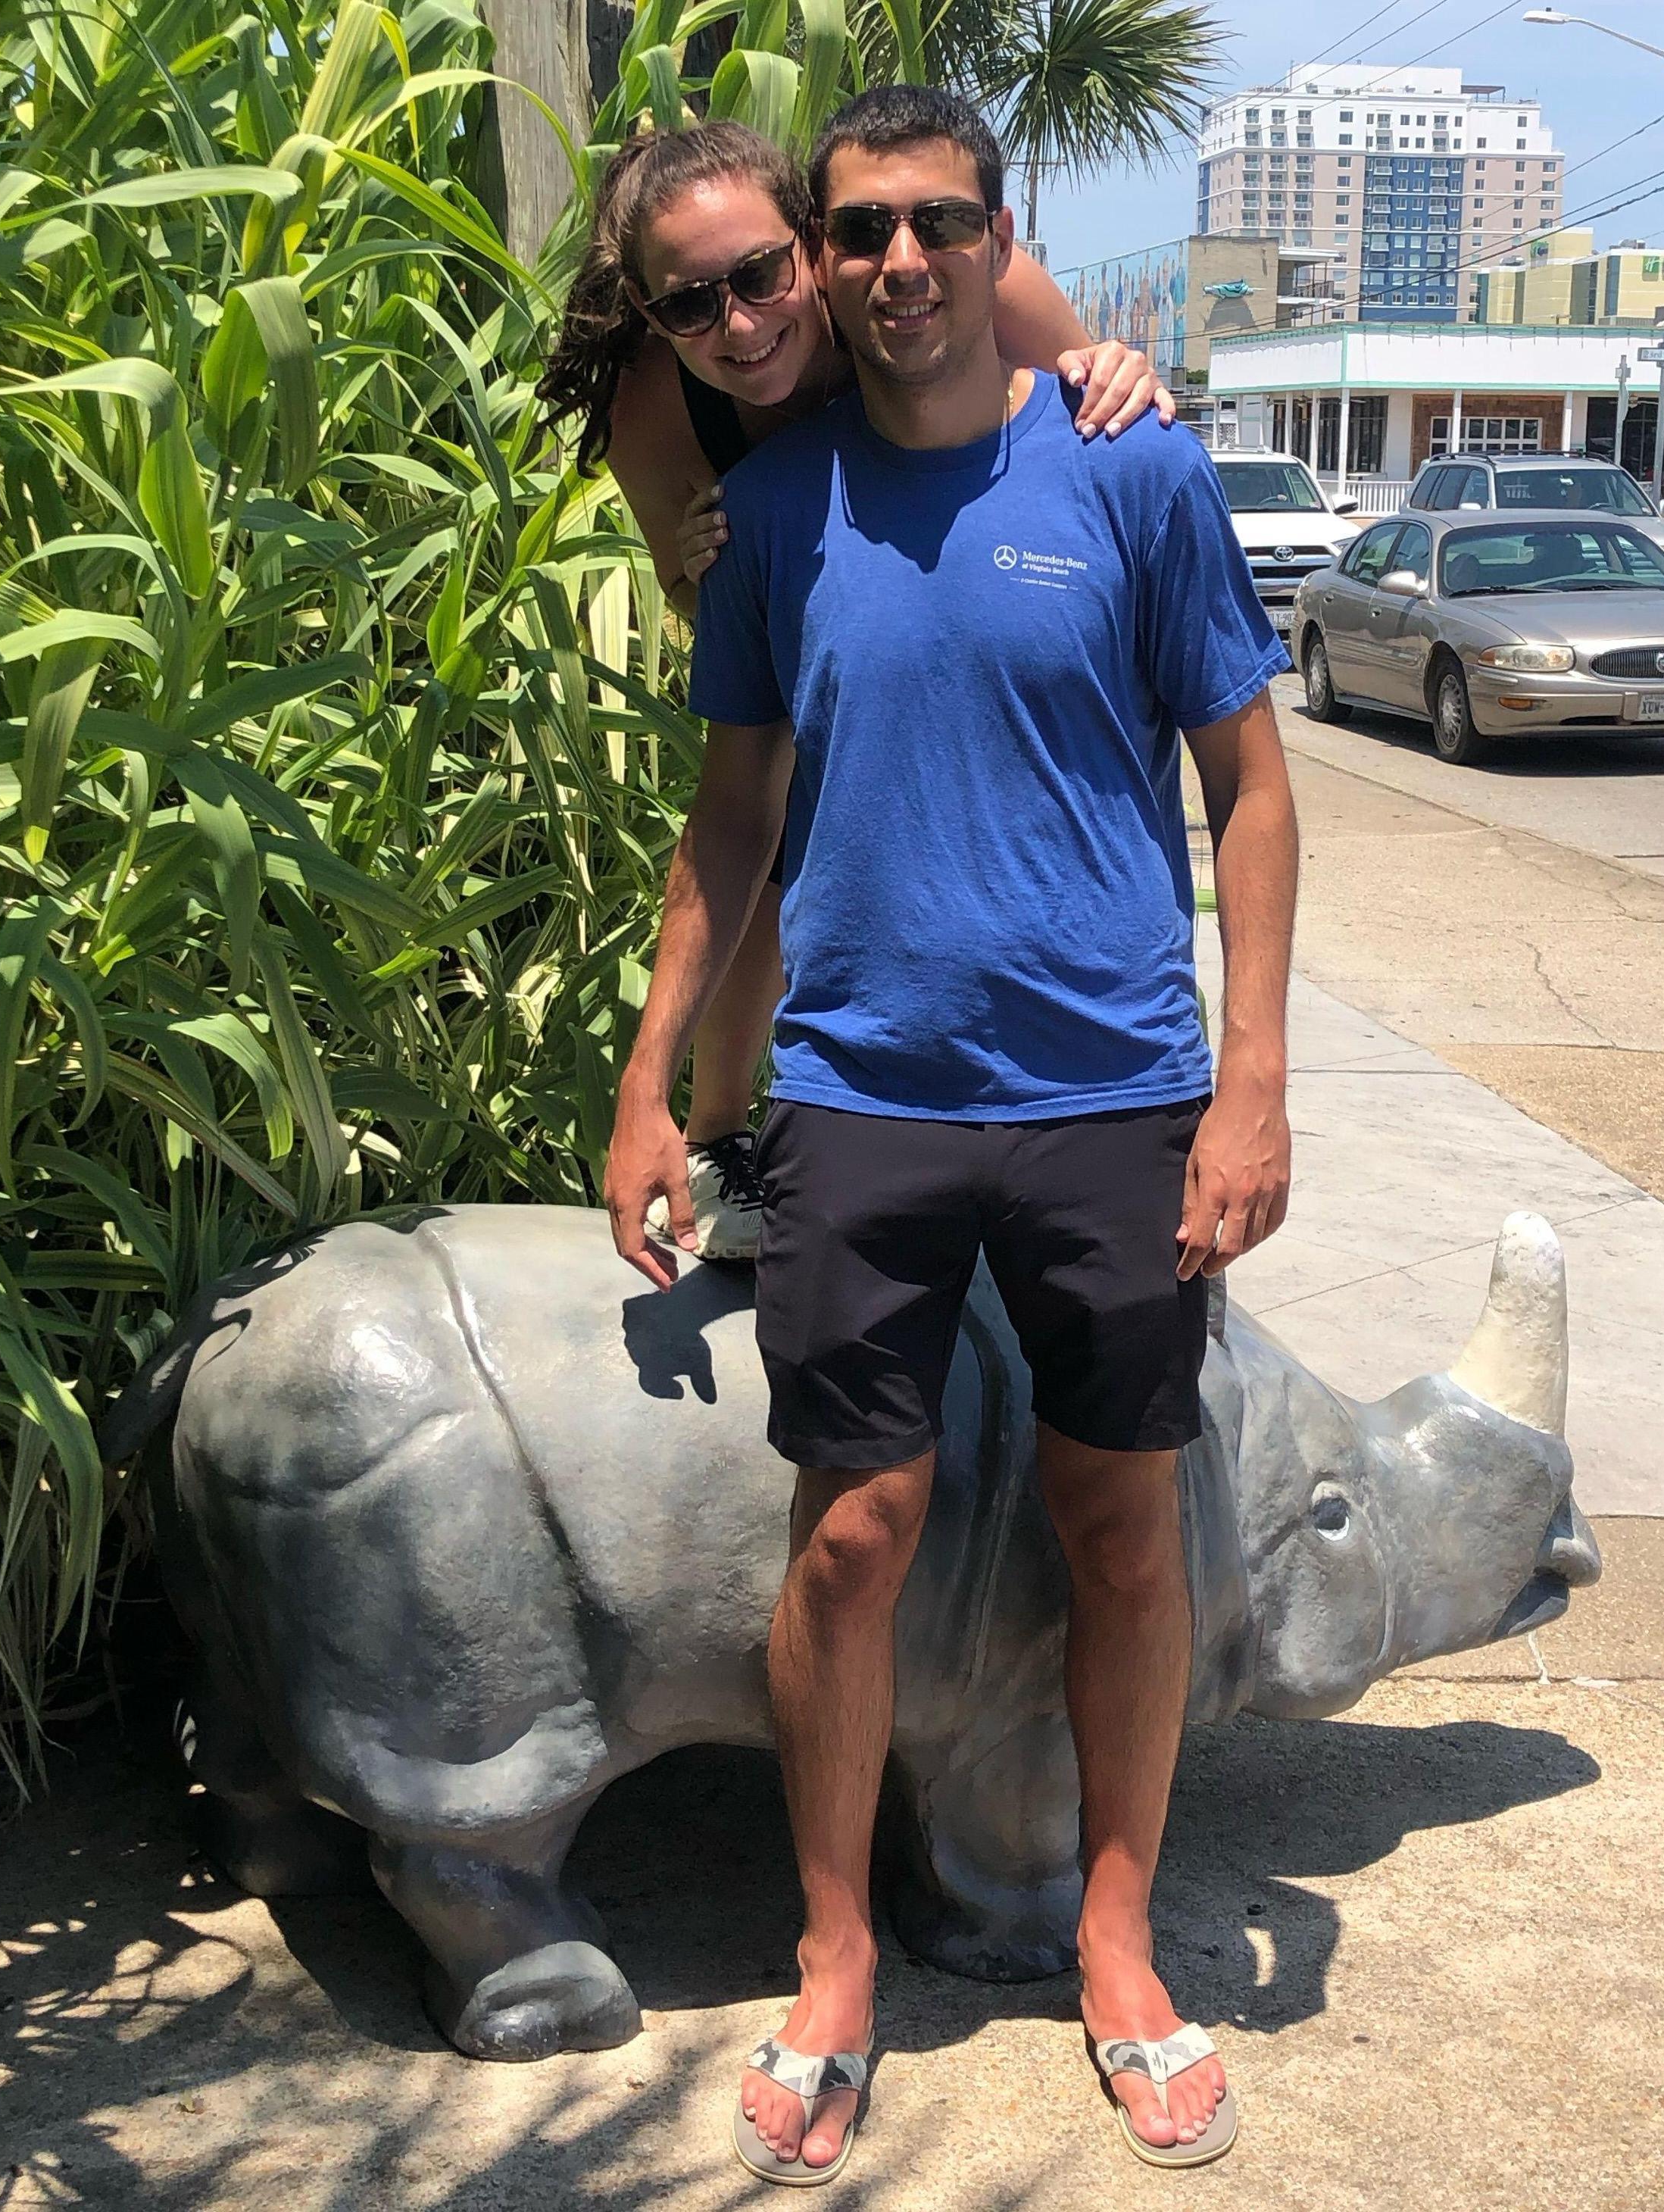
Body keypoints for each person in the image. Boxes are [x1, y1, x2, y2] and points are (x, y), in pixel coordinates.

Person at [603, 85, 1297, 2182]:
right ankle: (833, 1954)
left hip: (1112, 1091)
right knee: (852, 1538)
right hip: (861, 1094)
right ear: (821, 263)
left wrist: (1251, 1079)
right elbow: (733, 814)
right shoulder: (769, 507)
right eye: (858, 234)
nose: (895, 263)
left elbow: (1252, 785)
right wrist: (652, 1077)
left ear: (996, 237)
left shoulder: (1128, 460)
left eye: (935, 224)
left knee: (1122, 1531)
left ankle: (1116, 1936)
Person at [541, 122, 1173, 1261]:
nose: (740, 325)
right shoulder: (653, 403)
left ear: (810, 243)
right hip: (819, 596)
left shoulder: (930, 269)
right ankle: (722, 1130)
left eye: (761, 276)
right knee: (772, 816)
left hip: (975, 567)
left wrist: (1122, 364)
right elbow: (707, 615)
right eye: (690, 306)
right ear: (649, 315)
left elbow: (1090, 425)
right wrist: (708, 565)